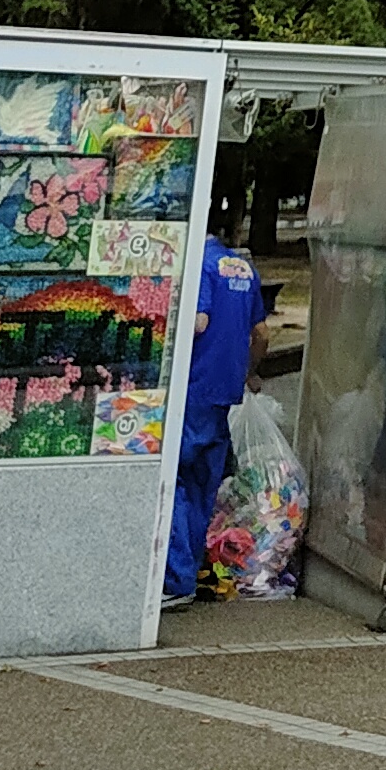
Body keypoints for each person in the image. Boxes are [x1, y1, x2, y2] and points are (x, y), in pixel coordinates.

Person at [162, 229, 267, 609]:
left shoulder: (199, 264)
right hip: (223, 392)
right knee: (201, 487)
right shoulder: (243, 268)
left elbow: (198, 322)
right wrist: (249, 372)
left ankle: (173, 579)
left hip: (193, 386)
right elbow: (261, 333)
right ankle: (185, 577)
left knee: (173, 481)